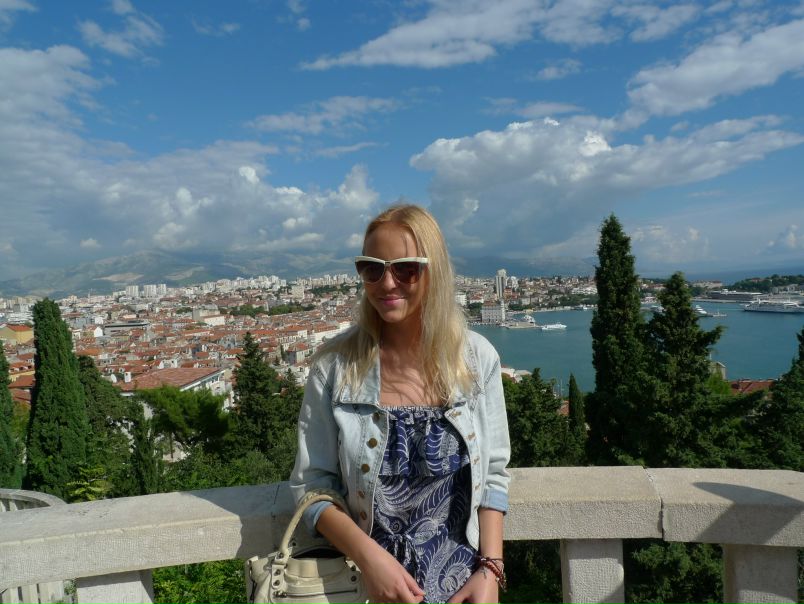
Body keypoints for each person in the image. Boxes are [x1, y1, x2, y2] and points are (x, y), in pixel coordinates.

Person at [290, 204, 511, 604]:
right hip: (367, 588)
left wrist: (490, 570)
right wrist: (370, 558)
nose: (386, 283)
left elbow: (494, 474)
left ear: (434, 272)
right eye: (372, 269)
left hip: (463, 587)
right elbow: (312, 487)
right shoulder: (334, 368)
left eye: (406, 269)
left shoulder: (477, 361)